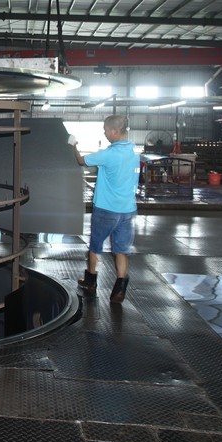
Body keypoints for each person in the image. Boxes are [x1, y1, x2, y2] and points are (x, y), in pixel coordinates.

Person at [71, 115, 139, 303]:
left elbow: (81, 161)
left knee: (95, 246)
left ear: (115, 131)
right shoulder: (133, 152)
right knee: (121, 250)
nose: (105, 133)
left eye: (106, 130)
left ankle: (90, 282)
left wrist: (73, 145)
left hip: (106, 209)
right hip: (128, 210)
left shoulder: (108, 154)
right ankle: (119, 289)